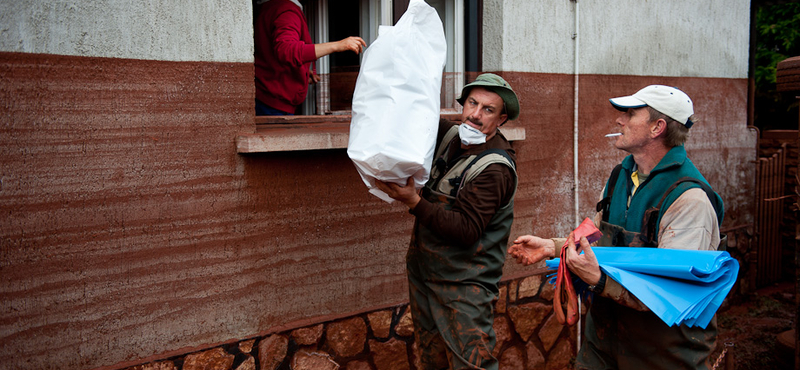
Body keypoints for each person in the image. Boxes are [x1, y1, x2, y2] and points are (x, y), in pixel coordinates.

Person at [509, 85, 724, 370]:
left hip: (664, 355)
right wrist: (553, 246)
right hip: (603, 344)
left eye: (631, 113)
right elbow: (599, 238)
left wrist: (599, 281)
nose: (619, 120)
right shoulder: (621, 176)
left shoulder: (689, 199)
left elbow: (669, 292)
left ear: (657, 127)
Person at [375, 73, 520, 370]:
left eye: (488, 110)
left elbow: (466, 230)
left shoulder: (495, 168)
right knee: (432, 360)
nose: (475, 115)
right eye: (472, 103)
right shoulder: (451, 135)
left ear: (501, 119)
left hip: (465, 287)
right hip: (426, 275)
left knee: (471, 365)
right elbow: (414, 112)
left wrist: (414, 201)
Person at [254, 0, 366, 115]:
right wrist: (337, 45)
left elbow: (269, 55)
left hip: (267, 99)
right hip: (274, 105)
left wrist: (302, 72)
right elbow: (286, 50)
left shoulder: (270, 6)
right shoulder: (286, 10)